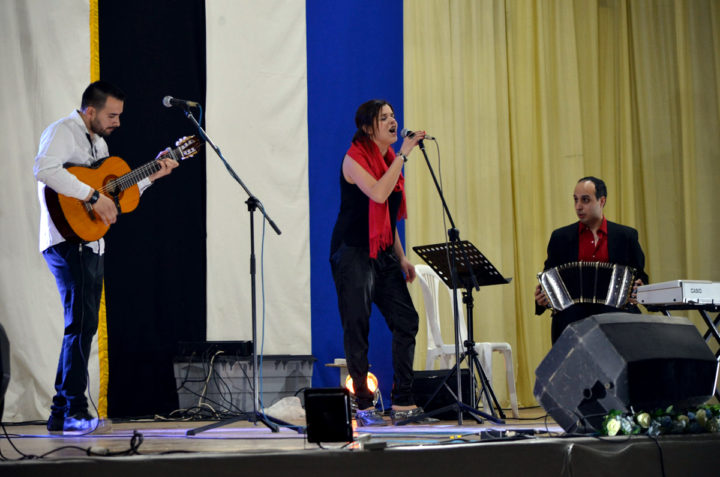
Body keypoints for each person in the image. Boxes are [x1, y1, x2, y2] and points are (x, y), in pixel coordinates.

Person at [34, 81, 178, 433]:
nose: (117, 121)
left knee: (82, 327)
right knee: (80, 326)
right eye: (112, 115)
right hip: (67, 240)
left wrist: (151, 176)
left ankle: (60, 411)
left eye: (119, 115)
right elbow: (45, 169)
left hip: (91, 242)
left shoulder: (100, 143)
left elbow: (117, 197)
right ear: (90, 110)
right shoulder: (62, 132)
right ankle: (73, 409)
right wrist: (92, 196)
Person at [330, 99, 428, 426]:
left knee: (406, 320)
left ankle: (402, 403)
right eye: (383, 118)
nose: (393, 121)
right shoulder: (353, 159)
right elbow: (378, 195)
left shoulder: (388, 159)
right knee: (358, 326)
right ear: (367, 127)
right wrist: (403, 154)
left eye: (393, 116)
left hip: (383, 251)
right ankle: (363, 404)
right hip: (353, 251)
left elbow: (387, 217)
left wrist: (401, 257)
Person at [535, 177, 649, 344]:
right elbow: (548, 279)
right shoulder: (561, 238)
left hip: (614, 317)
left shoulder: (625, 236)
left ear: (602, 201)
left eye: (585, 200)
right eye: (575, 200)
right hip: (572, 320)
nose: (578, 206)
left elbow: (640, 277)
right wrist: (542, 300)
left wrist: (639, 289)